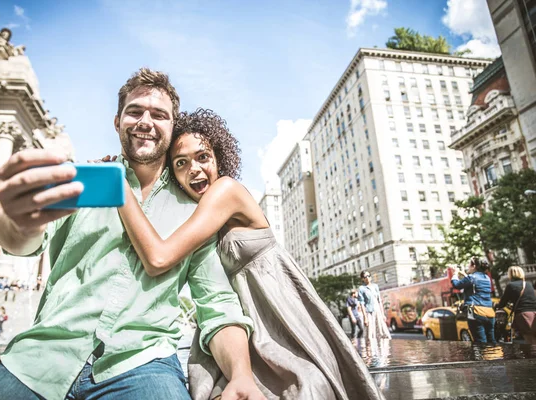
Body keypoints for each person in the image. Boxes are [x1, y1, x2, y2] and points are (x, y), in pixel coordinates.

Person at [0, 68, 263, 400]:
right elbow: (22, 242)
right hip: (43, 357)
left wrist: (241, 375)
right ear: (117, 122)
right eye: (134, 111)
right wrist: (17, 221)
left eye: (159, 114)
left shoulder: (194, 211)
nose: (146, 120)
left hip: (144, 365)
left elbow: (217, 304)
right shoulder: (82, 181)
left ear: (172, 128)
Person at [112, 108, 384, 399]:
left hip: (277, 313)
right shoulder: (194, 214)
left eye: (202, 157)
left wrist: (119, 186)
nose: (194, 168)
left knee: (303, 387)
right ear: (174, 175)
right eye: (181, 163)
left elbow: (160, 257)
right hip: (241, 320)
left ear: (218, 159)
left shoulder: (225, 191)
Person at [451, 257, 496, 343]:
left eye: (469, 264)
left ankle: (480, 356)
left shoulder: (471, 278)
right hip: (489, 311)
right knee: (491, 340)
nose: (468, 266)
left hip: (473, 311)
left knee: (480, 340)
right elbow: (474, 283)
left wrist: (455, 274)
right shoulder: (486, 278)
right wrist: (465, 274)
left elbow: (456, 284)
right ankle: (495, 356)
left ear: (474, 266)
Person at [496, 266, 536, 344]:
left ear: (510, 274)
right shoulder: (528, 284)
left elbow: (503, 302)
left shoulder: (510, 285)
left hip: (523, 315)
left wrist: (497, 306)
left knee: (530, 341)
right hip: (534, 313)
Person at [358, 271, 391, 340]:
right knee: (370, 335)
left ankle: (384, 350)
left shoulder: (375, 286)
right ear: (362, 279)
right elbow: (362, 304)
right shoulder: (361, 289)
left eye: (368, 276)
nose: (367, 278)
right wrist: (365, 318)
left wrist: (383, 314)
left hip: (378, 312)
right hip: (369, 313)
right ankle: (371, 349)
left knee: (383, 334)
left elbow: (379, 301)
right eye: (365, 277)